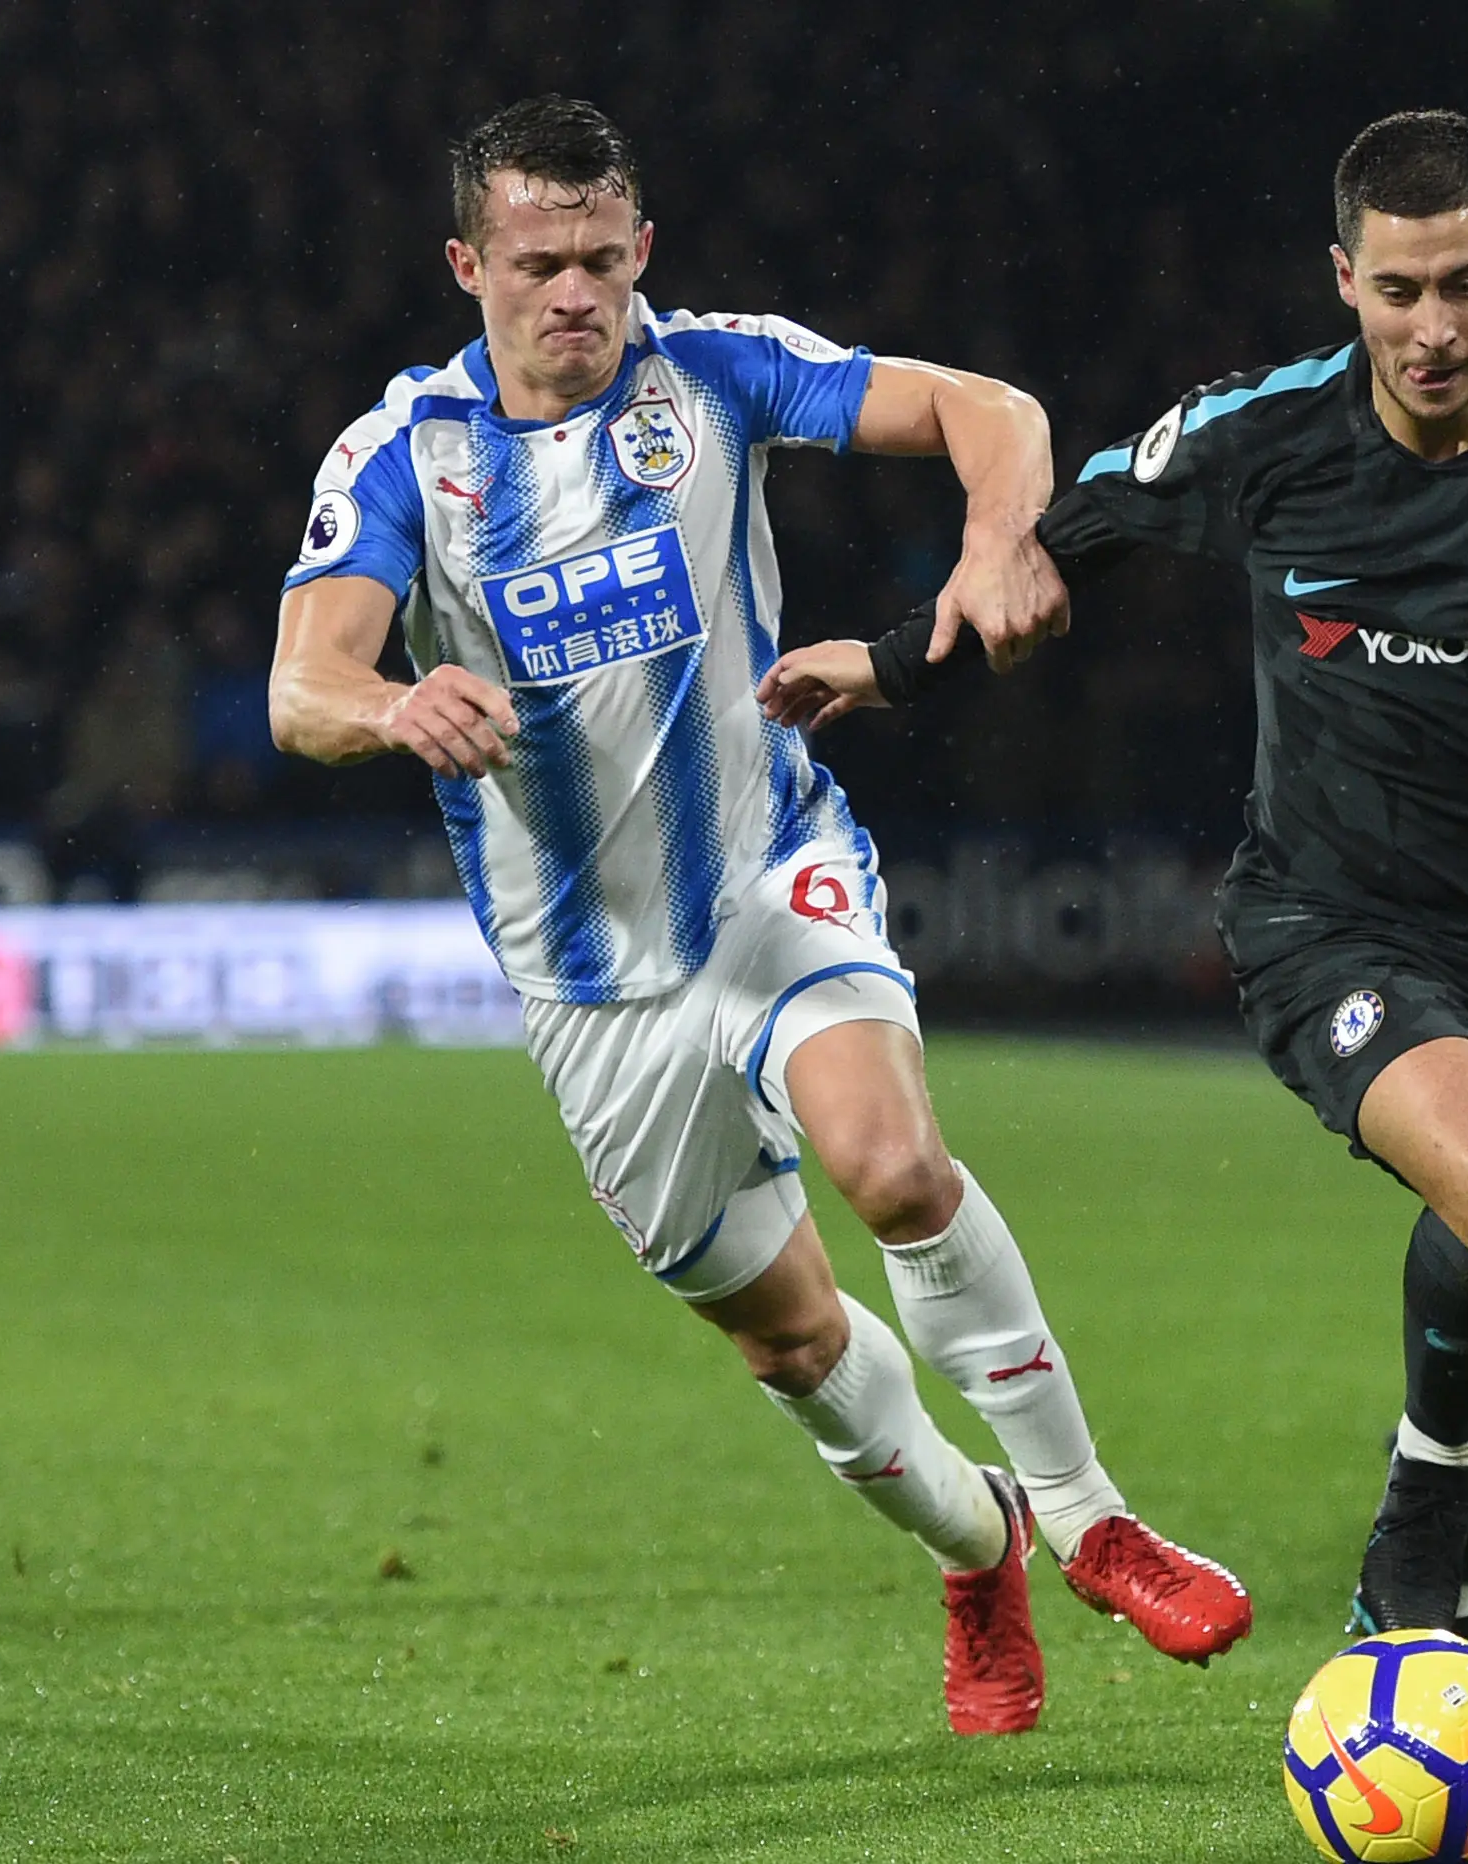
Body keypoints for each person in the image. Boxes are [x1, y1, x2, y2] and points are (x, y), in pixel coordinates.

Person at [761, 110, 1468, 1646]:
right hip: (1329, 922)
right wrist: (886, 662)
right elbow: (1048, 551)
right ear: (1345, 280)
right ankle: (1416, 1542)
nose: (1433, 327)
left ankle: (1449, 1566)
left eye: (1465, 284)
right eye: (1398, 291)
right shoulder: (1261, 433)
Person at [266, 96, 1249, 1735]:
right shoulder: (401, 459)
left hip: (770, 877)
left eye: (600, 258)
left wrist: (995, 543)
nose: (574, 293)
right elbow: (305, 679)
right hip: (593, 989)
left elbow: (985, 407)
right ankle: (977, 1539)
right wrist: (388, 708)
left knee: (890, 1162)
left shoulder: (710, 368)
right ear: (468, 266)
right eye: (536, 265)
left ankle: (1088, 1513)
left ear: (640, 249)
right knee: (790, 1340)